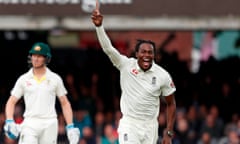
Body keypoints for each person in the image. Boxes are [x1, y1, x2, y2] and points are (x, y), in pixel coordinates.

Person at [91, 4, 177, 144]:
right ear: (137, 54)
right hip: (130, 124)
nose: (146, 55)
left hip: (150, 126)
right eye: (143, 52)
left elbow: (171, 104)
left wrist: (169, 132)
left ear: (154, 55)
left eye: (150, 52)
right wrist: (99, 27)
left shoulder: (163, 75)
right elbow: (108, 48)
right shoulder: (125, 65)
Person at [3, 42, 80, 144]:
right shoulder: (24, 79)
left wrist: (70, 126)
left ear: (46, 58)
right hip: (30, 122)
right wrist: (9, 121)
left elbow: (65, 103)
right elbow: (11, 102)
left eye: (39, 56)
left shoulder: (55, 79)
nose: (35, 59)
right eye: (34, 55)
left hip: (50, 123)